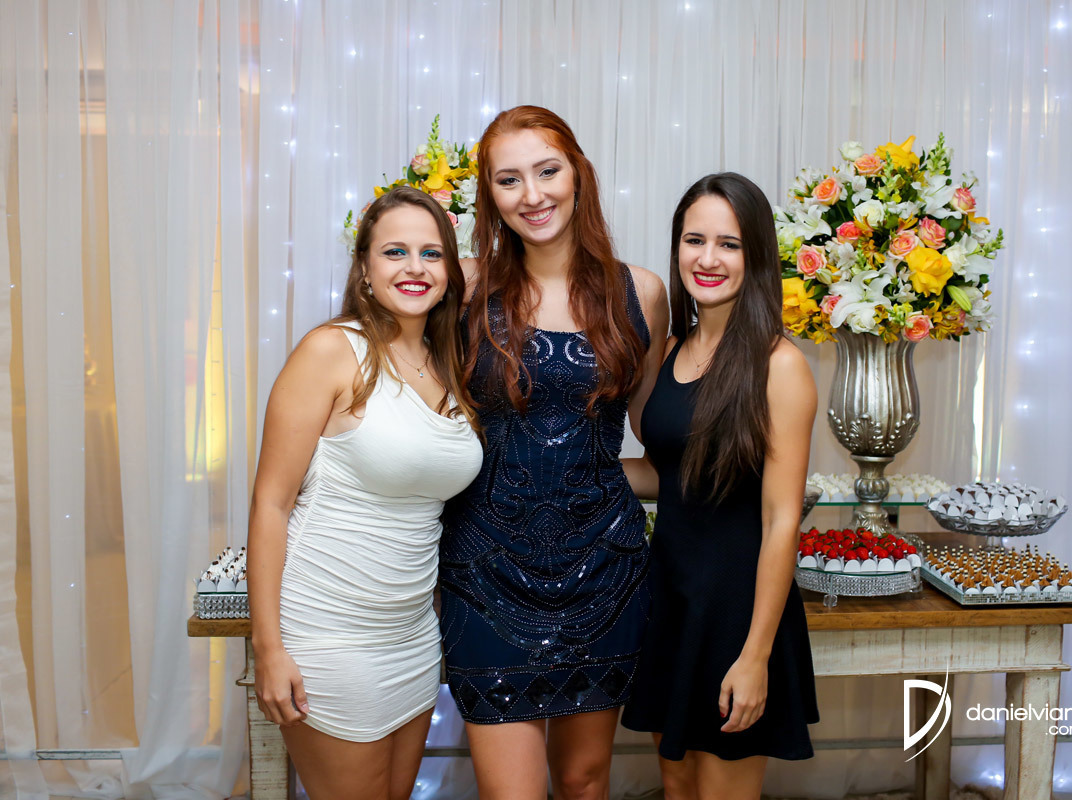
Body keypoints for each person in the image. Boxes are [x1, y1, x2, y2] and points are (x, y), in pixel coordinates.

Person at [439, 105, 668, 800]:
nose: (532, 195)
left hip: (605, 570)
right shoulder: (464, 286)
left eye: (547, 171)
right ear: (489, 195)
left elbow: (659, 437)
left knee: (583, 779)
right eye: (509, 179)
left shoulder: (641, 293)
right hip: (484, 571)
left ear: (578, 176)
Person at [247, 187, 483, 800]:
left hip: (413, 635)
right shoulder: (332, 350)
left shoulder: (449, 363)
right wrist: (268, 648)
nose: (414, 267)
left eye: (432, 253)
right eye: (394, 252)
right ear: (365, 270)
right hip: (329, 632)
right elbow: (271, 504)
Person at [620, 173, 820, 800]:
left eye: (729, 244)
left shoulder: (779, 365)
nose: (708, 259)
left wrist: (755, 654)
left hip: (737, 613)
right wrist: (571, 469)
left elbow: (781, 519)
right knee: (676, 786)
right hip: (671, 601)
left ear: (755, 254)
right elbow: (672, 476)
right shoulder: (670, 350)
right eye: (694, 240)